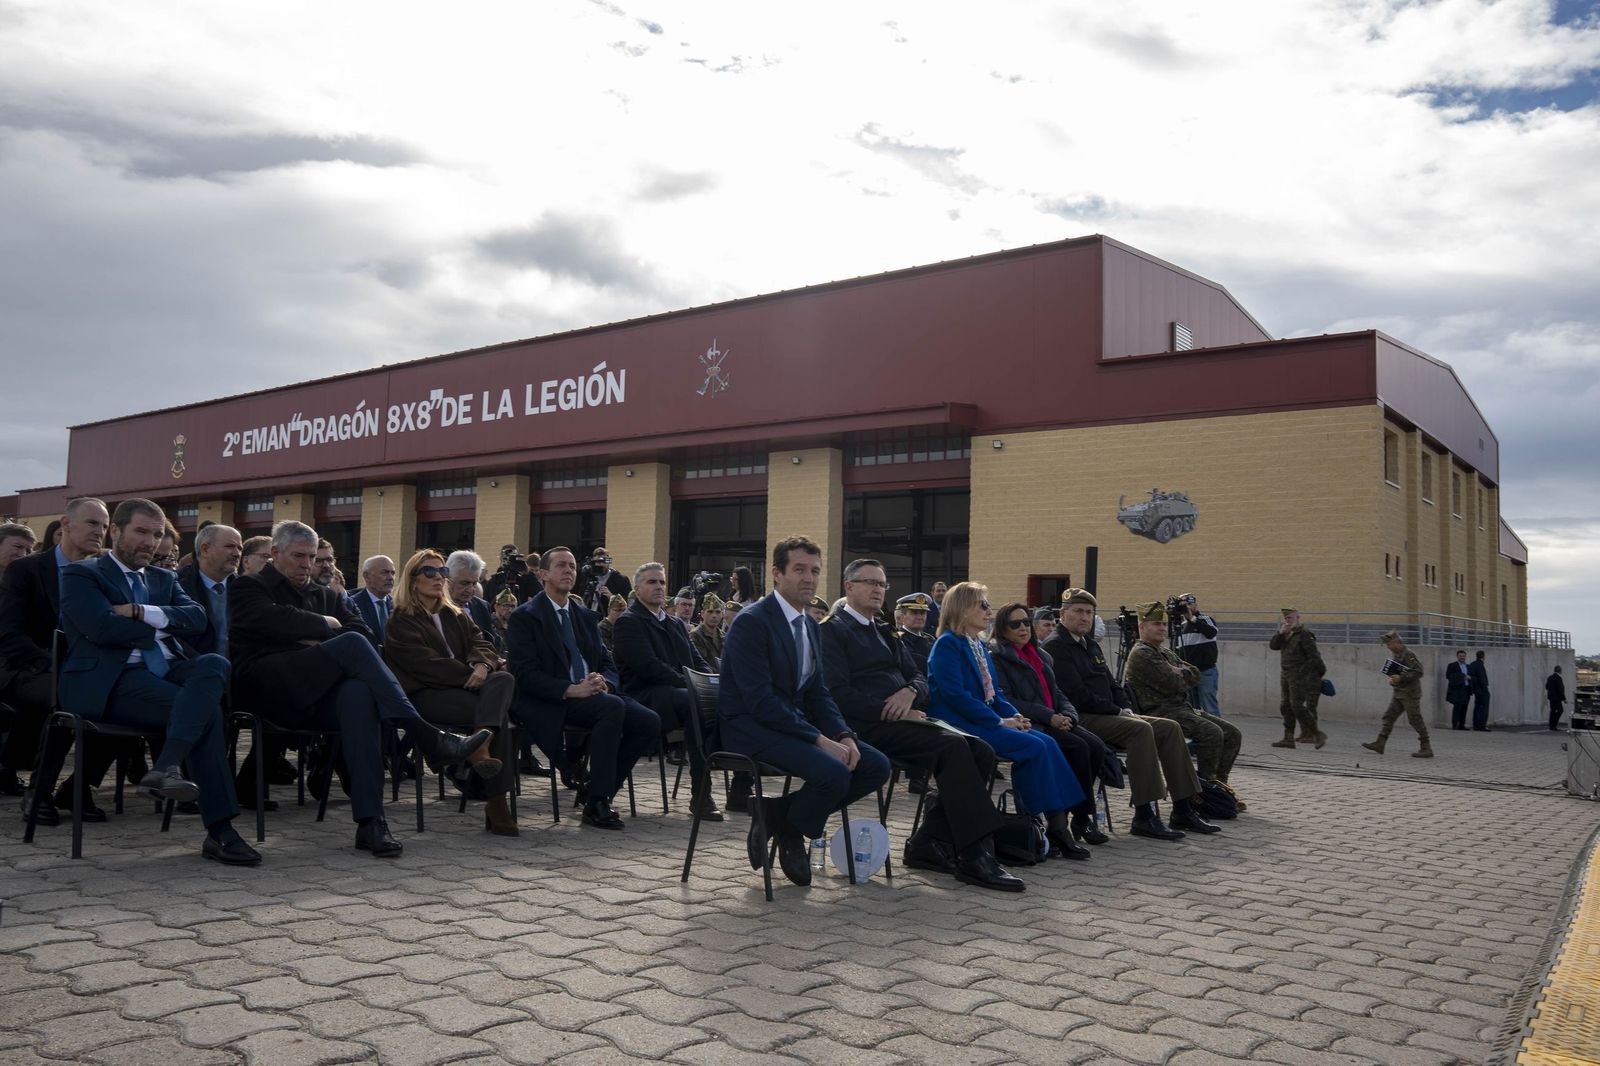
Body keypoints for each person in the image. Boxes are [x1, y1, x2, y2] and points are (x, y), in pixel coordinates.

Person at [229, 520, 492, 857]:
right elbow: (268, 619)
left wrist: (310, 639)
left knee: (360, 696)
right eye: (298, 556)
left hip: (319, 694)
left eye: (311, 557)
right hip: (269, 689)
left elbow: (368, 637)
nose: (307, 564)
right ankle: (428, 737)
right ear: (275, 553)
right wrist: (326, 628)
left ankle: (371, 822)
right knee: (349, 644)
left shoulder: (325, 595)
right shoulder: (248, 587)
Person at [58, 499, 259, 865]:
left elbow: (198, 620)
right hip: (111, 681)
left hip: (167, 673)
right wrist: (162, 628)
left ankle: (167, 765)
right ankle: (219, 830)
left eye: (156, 534)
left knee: (213, 663)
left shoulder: (163, 578)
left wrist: (141, 612)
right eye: (141, 532)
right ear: (115, 531)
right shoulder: (83, 574)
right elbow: (100, 627)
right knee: (207, 714)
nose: (151, 542)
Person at [822, 560, 1023, 890]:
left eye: (882, 584)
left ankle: (927, 843)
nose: (877, 590)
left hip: (906, 718)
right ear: (848, 587)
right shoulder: (831, 630)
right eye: (868, 582)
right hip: (865, 726)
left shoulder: (884, 628)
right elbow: (837, 693)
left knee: (982, 751)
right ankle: (974, 854)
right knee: (954, 747)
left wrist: (909, 691)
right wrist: (895, 710)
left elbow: (919, 676)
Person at [718, 536, 890, 887]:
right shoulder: (752, 622)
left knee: (875, 766)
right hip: (750, 726)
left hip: (787, 725)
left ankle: (779, 816)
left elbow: (818, 692)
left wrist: (844, 735)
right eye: (799, 570)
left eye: (814, 571)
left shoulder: (811, 623)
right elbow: (760, 701)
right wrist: (819, 739)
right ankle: (791, 830)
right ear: (777, 574)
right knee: (833, 772)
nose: (809, 579)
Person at [505, 546, 661, 830]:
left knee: (648, 721)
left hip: (593, 694)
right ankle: (598, 802)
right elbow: (524, 674)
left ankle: (596, 789)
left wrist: (606, 682)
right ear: (543, 574)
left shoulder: (584, 616)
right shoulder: (525, 617)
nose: (569, 571)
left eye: (573, 566)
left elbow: (607, 661)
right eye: (561, 566)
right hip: (550, 699)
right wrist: (570, 689)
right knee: (611, 709)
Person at [926, 582, 1086, 856]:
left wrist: (1015, 715)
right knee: (1034, 747)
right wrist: (999, 722)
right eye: (983, 605)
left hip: (982, 719)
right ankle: (1035, 823)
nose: (989, 611)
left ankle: (1056, 825)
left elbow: (995, 693)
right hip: (961, 723)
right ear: (963, 610)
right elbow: (957, 697)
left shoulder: (976, 643)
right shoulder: (947, 645)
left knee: (1047, 742)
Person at [1042, 588, 1204, 840]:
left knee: (1170, 727)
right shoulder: (1056, 646)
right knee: (1140, 729)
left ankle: (1183, 808)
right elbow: (1077, 695)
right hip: (1081, 717)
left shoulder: (1089, 645)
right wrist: (1118, 711)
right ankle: (1144, 815)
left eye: (1089, 613)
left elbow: (1113, 684)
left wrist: (1125, 706)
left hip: (1109, 715)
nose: (1084, 617)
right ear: (1063, 613)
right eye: (1078, 612)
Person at [382, 550, 518, 836]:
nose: (437, 578)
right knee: (499, 716)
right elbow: (424, 665)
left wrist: (482, 665)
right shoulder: (401, 619)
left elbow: (482, 643)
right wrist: (470, 674)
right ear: (412, 579)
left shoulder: (454, 614)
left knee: (503, 679)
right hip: (427, 696)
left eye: (442, 572)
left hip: (468, 692)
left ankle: (480, 744)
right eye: (429, 572)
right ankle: (497, 802)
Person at [0, 499, 114, 817]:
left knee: (122, 697)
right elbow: (10, 635)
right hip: (26, 666)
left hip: (83, 668)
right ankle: (39, 791)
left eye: (104, 526)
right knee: (65, 695)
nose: (100, 532)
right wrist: (55, 664)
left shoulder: (105, 574)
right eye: (92, 523)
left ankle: (77, 788)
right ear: (65, 524)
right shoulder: (28, 569)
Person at [988, 601, 1114, 850]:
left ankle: (1078, 817)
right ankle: (1062, 821)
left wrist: (1068, 714)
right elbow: (1008, 699)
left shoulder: (1040, 655)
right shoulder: (998, 657)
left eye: (1026, 622)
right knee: (1077, 747)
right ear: (1003, 629)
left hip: (1055, 719)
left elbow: (1057, 692)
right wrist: (1050, 716)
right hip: (1031, 722)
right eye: (1016, 624)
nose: (1023, 628)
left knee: (1096, 746)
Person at [611, 562, 723, 821]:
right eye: (652, 582)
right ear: (637, 589)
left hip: (680, 693)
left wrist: (711, 682)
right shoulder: (629, 622)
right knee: (694, 701)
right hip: (646, 696)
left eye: (661, 582)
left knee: (722, 700)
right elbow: (649, 668)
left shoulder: (675, 624)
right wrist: (694, 685)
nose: (659, 587)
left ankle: (740, 784)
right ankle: (701, 793)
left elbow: (698, 661)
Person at [1123, 602, 1243, 808]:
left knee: (1232, 733)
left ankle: (1218, 786)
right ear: (1142, 627)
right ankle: (1199, 792)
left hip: (1181, 708)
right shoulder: (1142, 653)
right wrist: (1179, 675)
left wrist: (1181, 672)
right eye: (1156, 624)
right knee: (1211, 733)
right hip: (1161, 712)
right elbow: (1174, 685)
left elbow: (1195, 673)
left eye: (1163, 624)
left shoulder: (1165, 652)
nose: (1162, 628)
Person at [1363, 630, 1432, 758]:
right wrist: (1394, 680)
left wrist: (1401, 678)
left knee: (1415, 719)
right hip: (1399, 693)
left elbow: (1418, 672)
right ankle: (1380, 743)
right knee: (1388, 716)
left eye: (1389, 644)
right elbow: (1400, 673)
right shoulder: (1397, 655)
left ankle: (1426, 747)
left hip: (1410, 694)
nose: (1388, 647)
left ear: (1396, 642)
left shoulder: (1408, 654)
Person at [1269, 608, 1326, 749]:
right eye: (1286, 618)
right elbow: (1273, 646)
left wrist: (1302, 673)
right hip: (1286, 674)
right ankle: (1288, 738)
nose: (1288, 621)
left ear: (1298, 618)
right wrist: (1280, 634)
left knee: (1297, 706)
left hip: (1297, 675)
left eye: (1291, 618)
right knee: (1285, 706)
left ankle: (1316, 733)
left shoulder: (1304, 634)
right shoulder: (1286, 633)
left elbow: (1314, 657)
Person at [1173, 594, 1221, 716]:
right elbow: (1177, 651)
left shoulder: (1205, 619)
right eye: (1184, 605)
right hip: (1188, 674)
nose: (1187, 607)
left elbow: (1211, 633)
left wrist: (1192, 619)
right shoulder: (1181, 626)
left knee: (1210, 708)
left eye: (1189, 604)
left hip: (1206, 671)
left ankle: (1221, 734)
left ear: (1195, 604)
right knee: (1192, 709)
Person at [446, 551, 498, 640]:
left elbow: (492, 642)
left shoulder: (482, 607)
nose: (470, 590)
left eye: (474, 583)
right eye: (464, 583)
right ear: (447, 579)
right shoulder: (434, 607)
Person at [347, 556, 397, 648]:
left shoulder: (398, 606)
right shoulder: (352, 604)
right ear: (367, 576)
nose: (390, 577)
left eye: (393, 573)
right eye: (384, 572)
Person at [578, 547, 632, 613]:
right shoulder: (589, 578)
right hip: (590, 617)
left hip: (609, 618)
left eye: (603, 561)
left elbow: (629, 603)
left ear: (608, 562)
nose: (600, 564)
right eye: (597, 562)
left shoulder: (621, 580)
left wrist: (611, 597)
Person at [894, 593, 934, 676]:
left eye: (923, 613)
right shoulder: (898, 639)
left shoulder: (930, 639)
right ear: (902, 617)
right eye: (914, 613)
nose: (919, 617)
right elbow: (916, 665)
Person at [689, 593, 725, 671]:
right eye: (710, 612)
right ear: (702, 614)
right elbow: (699, 664)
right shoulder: (695, 635)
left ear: (722, 615)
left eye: (717, 612)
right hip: (706, 678)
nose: (714, 615)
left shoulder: (724, 636)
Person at [1445, 650, 1473, 730]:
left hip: (1466, 689)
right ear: (1457, 656)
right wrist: (1463, 676)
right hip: (1457, 690)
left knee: (1464, 708)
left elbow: (1472, 676)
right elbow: (1449, 676)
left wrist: (1470, 678)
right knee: (1457, 707)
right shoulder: (1452, 665)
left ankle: (1462, 725)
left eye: (1463, 656)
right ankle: (1455, 725)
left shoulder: (1468, 666)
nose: (1462, 657)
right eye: (1460, 656)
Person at [1469, 651, 1492, 731]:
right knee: (1484, 708)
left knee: (1477, 708)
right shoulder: (1480, 665)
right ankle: (1482, 725)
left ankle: (1476, 725)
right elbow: (1482, 679)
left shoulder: (1472, 664)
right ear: (1483, 656)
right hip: (1482, 690)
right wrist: (1485, 689)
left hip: (1476, 690)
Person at [1548, 666, 1567, 731]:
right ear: (1560, 671)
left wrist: (1551, 691)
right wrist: (1564, 698)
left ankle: (1551, 725)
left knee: (1552, 711)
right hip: (1557, 698)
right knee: (1560, 710)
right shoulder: (1559, 678)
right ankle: (1554, 724)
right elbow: (1560, 689)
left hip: (1551, 697)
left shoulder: (1550, 677)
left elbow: (1546, 686)